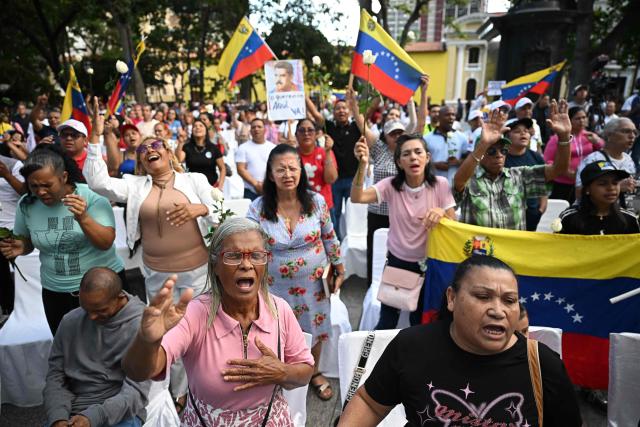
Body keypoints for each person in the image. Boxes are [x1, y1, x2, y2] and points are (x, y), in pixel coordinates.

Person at [338, 255, 583, 427]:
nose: (498, 311)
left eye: (509, 301)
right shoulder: (412, 346)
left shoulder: (543, 365)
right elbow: (370, 403)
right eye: (483, 296)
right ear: (452, 298)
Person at [84, 103, 219, 407]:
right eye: (143, 150)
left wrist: (202, 208)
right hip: (157, 274)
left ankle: (188, 390)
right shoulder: (134, 186)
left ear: (170, 153)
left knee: (196, 329)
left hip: (197, 272)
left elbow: (223, 215)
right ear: (141, 163)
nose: (149, 149)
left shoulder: (194, 180)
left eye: (156, 144)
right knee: (163, 331)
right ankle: (166, 389)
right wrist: (95, 137)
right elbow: (98, 183)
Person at [122, 218, 315, 425]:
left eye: (257, 256)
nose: (246, 265)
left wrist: (281, 372)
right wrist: (146, 340)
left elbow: (304, 372)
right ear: (215, 265)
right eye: (233, 256)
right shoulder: (195, 314)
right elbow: (139, 371)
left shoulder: (279, 310)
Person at [247, 144, 345, 401]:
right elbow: (247, 243)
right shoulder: (257, 208)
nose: (288, 174)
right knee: (275, 328)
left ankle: (312, 372)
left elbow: (330, 236)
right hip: (273, 284)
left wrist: (339, 267)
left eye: (293, 168)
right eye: (281, 169)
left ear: (301, 171)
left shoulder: (316, 201)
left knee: (315, 325)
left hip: (314, 283)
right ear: (270, 174)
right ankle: (280, 372)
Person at [0, 144, 125, 335]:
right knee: (67, 349)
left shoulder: (90, 198)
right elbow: (27, 241)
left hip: (102, 290)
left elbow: (105, 242)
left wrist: (83, 218)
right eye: (34, 186)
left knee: (110, 347)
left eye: (47, 185)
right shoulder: (26, 204)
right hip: (55, 292)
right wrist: (21, 246)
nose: (40, 192)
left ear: (64, 177)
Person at [351, 134, 456, 329]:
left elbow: (453, 223)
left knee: (421, 322)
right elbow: (357, 197)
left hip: (431, 264)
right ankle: (382, 358)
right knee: (387, 321)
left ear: (428, 157)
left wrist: (441, 212)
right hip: (399, 263)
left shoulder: (440, 184)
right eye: (406, 154)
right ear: (399, 162)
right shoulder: (391, 185)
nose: (413, 158)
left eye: (418, 152)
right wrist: (362, 165)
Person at [43, 267, 150, 427]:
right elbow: (55, 376)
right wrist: (58, 417)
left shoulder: (141, 327)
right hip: (72, 411)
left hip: (120, 413)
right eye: (87, 309)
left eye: (100, 310)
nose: (91, 317)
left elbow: (136, 392)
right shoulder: (70, 321)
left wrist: (92, 418)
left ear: (119, 297)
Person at [453, 100, 572, 231]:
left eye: (503, 151)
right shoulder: (471, 179)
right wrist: (483, 144)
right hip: (480, 249)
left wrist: (564, 137)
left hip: (511, 250)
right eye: (492, 151)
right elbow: (459, 181)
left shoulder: (519, 176)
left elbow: (559, 169)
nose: (499, 155)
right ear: (480, 155)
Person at [306, 89, 376, 239]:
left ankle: (352, 240)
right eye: (338, 108)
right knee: (334, 213)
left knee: (354, 213)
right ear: (334, 112)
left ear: (349, 111)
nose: (341, 111)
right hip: (334, 180)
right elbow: (316, 115)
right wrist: (305, 98)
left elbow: (368, 112)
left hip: (353, 179)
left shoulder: (357, 127)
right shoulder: (329, 127)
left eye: (344, 108)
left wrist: (376, 95)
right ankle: (335, 241)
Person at [544, 106, 604, 204]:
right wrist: (566, 172)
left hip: (585, 181)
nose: (581, 121)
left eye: (584, 117)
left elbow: (603, 152)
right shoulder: (558, 138)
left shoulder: (590, 136)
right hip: (563, 182)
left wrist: (597, 141)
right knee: (561, 209)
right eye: (577, 118)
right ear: (570, 120)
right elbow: (548, 159)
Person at [560, 161, 639, 235]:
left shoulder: (629, 219)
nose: (611, 188)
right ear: (587, 189)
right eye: (602, 183)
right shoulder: (569, 218)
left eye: (615, 183)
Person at [575, 117, 637, 207]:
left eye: (635, 132)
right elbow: (579, 192)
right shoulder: (593, 159)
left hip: (621, 214)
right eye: (626, 131)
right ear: (609, 135)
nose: (632, 136)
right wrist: (618, 187)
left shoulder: (629, 160)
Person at [505, 117, 547, 231]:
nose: (523, 133)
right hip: (507, 216)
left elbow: (543, 187)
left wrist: (540, 210)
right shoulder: (500, 158)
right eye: (517, 131)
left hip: (531, 215)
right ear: (507, 136)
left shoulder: (536, 157)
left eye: (526, 131)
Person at [0, 145, 25, 317]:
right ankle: (7, 309)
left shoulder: (14, 165)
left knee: (22, 273)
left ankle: (24, 309)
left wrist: (7, 175)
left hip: (14, 229)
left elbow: (27, 192)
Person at [295, 118, 338, 213]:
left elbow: (331, 179)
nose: (306, 133)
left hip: (324, 207)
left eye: (310, 130)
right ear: (296, 135)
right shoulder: (292, 155)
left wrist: (327, 153)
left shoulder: (325, 152)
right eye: (302, 130)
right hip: (299, 207)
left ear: (316, 134)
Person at [424, 105, 469, 186]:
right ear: (439, 117)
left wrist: (458, 162)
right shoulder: (427, 138)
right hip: (432, 184)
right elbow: (421, 160)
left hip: (454, 186)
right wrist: (434, 165)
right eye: (447, 115)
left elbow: (468, 159)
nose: (451, 117)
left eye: (453, 115)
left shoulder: (462, 137)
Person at [176, 118, 226, 188]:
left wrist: (220, 186)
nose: (197, 127)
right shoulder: (187, 147)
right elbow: (178, 160)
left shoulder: (213, 148)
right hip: (192, 187)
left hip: (211, 187)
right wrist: (181, 142)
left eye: (201, 126)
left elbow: (222, 168)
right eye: (195, 126)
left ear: (206, 130)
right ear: (192, 131)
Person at [235, 118, 276, 200]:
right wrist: (256, 184)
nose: (256, 129)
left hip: (271, 188)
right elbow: (241, 169)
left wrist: (266, 184)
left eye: (259, 127)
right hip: (250, 190)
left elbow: (275, 167)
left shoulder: (273, 147)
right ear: (250, 131)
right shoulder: (243, 148)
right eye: (253, 127)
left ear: (265, 130)